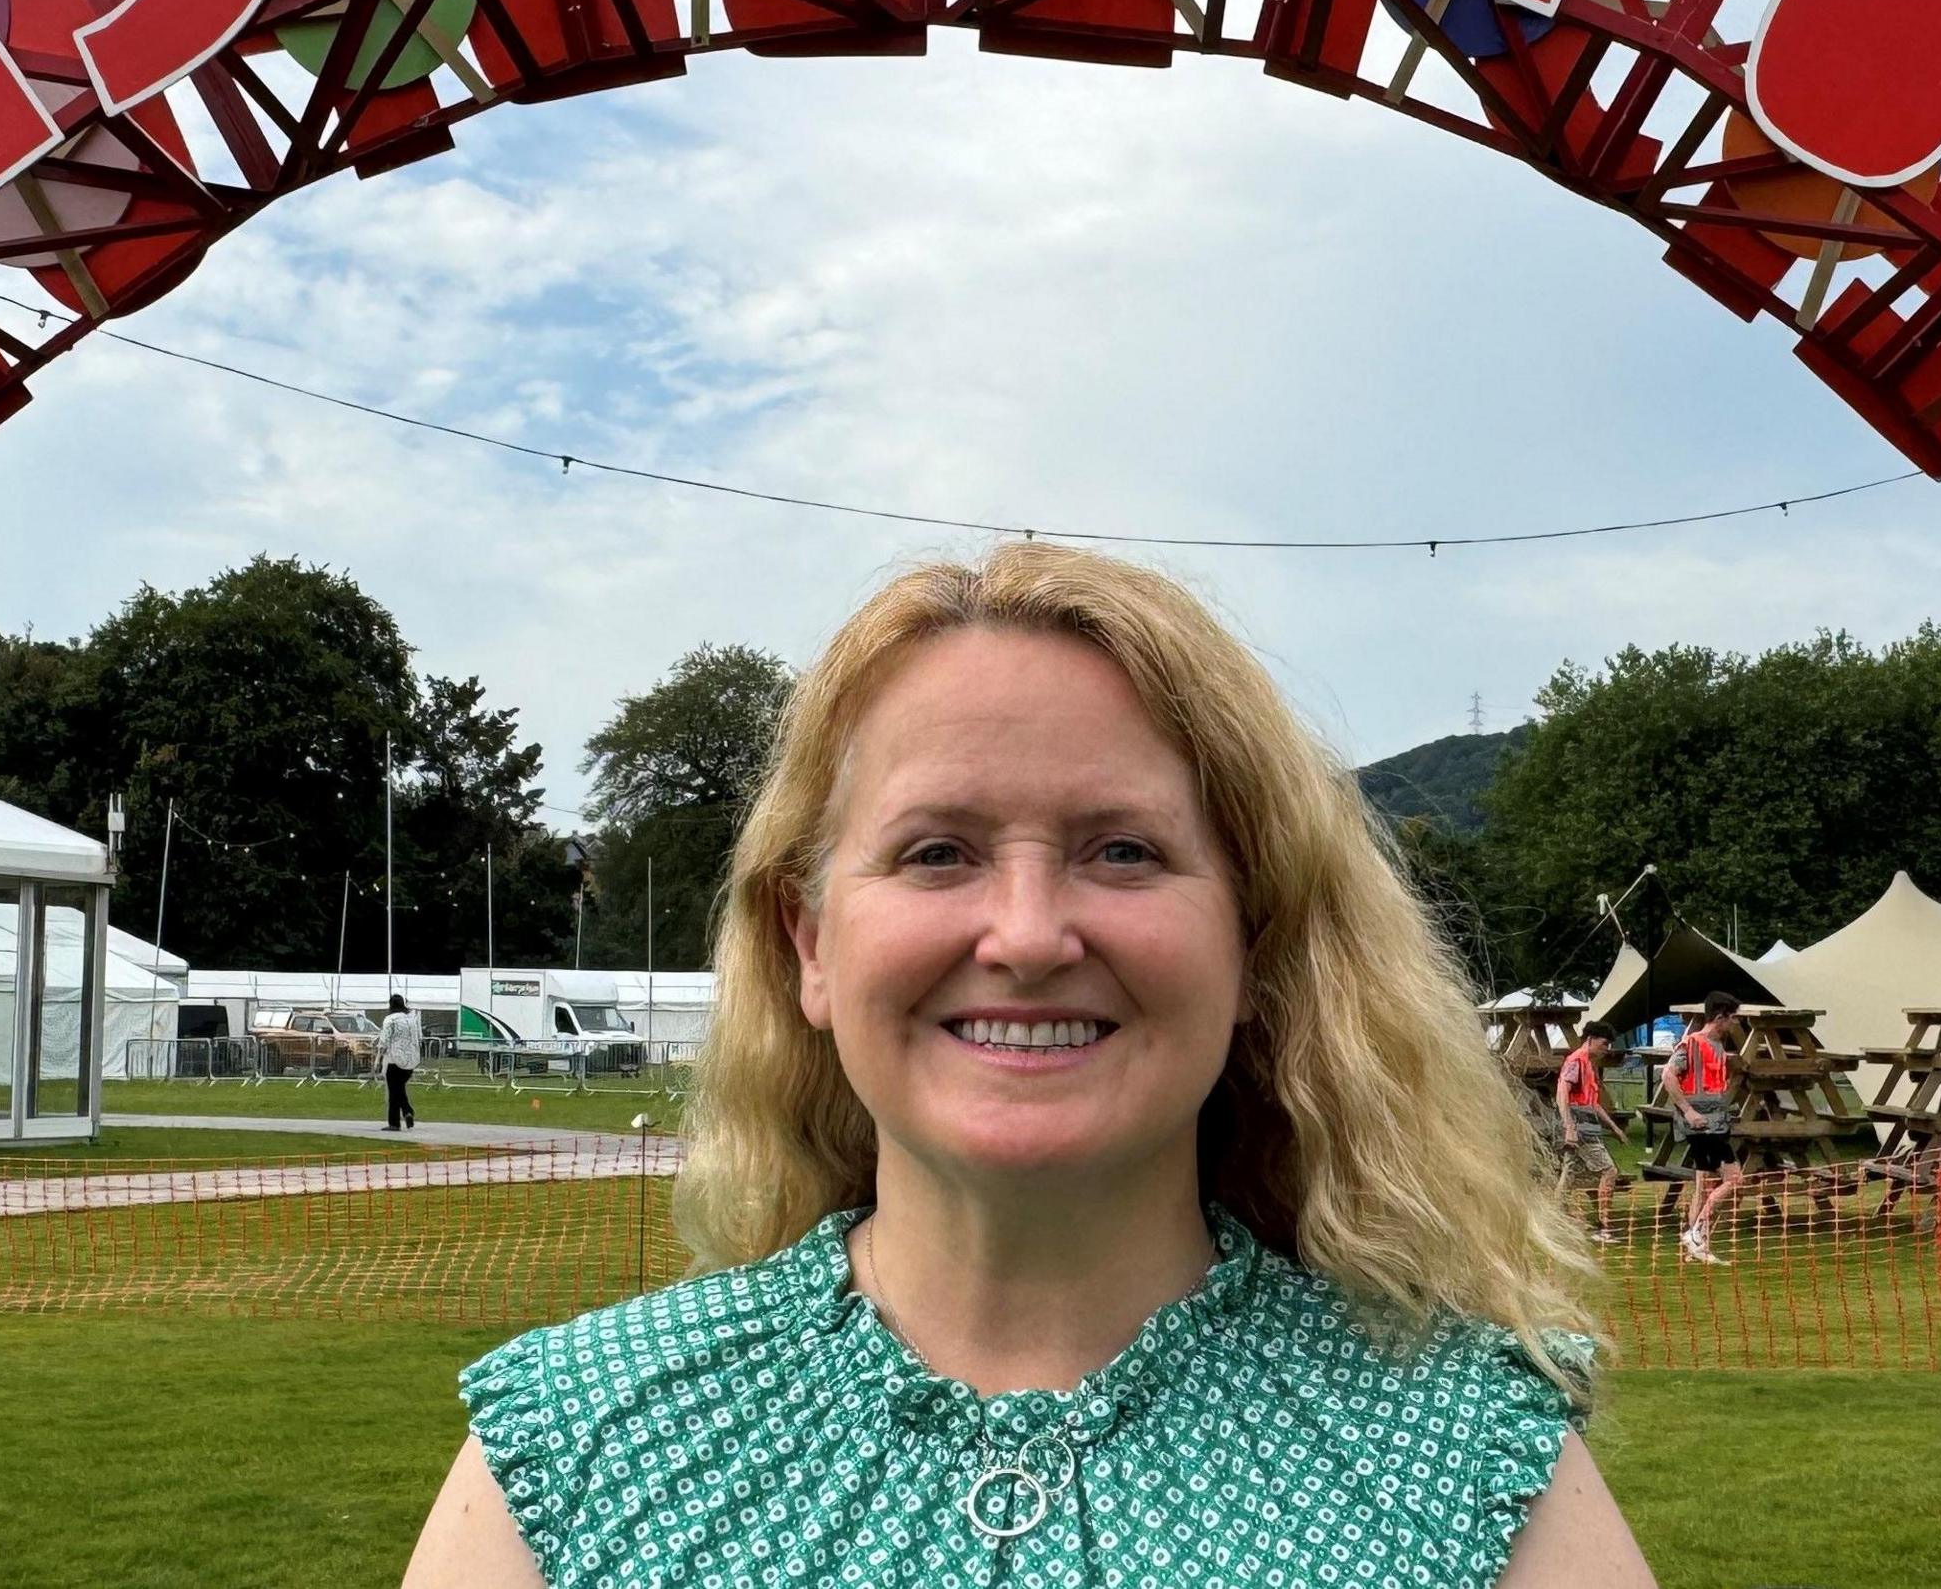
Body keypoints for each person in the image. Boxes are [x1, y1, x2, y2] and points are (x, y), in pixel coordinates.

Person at [402, 543, 1648, 1588]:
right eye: (938, 851)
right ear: (811, 943)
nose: (1030, 933)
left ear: (1253, 941)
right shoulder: (580, 1450)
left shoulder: (1464, 1453)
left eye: (1122, 850)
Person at [1665, 995, 1744, 1265]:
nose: (1736, 1022)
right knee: (1734, 1178)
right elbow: (1668, 1076)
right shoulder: (1691, 1043)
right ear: (1721, 1016)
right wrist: (1688, 1111)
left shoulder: (1718, 1046)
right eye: (1734, 1017)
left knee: (1703, 1184)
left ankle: (1696, 1249)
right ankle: (1696, 1233)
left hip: (1715, 1123)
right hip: (1701, 1126)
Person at [1553, 1021, 1630, 1243]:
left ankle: (1556, 1221)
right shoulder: (1576, 1061)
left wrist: (1614, 1128)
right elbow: (1562, 1093)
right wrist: (1569, 1127)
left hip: (1585, 1128)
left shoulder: (1588, 1064)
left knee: (1568, 1175)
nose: (1606, 1049)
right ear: (1590, 1039)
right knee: (1609, 1171)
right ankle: (1604, 1227)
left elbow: (1593, 1103)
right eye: (1604, 1043)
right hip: (1580, 1129)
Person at [376, 994, 421, 1133]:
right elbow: (419, 1037)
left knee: (394, 1091)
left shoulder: (390, 1020)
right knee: (399, 1088)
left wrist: (378, 1059)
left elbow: (384, 1041)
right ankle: (407, 1112)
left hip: (395, 1059)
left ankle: (395, 1122)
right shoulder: (412, 1019)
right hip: (411, 1059)